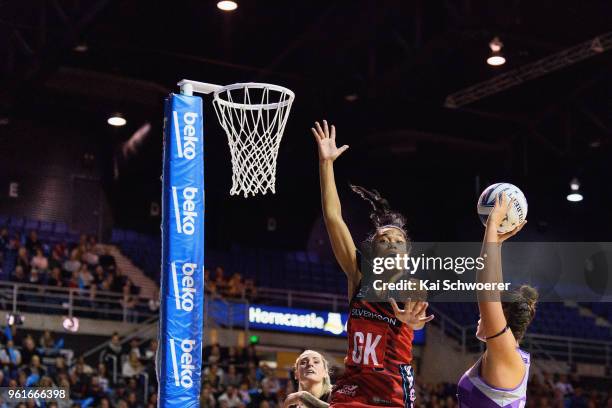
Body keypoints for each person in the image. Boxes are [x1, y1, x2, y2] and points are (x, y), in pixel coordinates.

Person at [312, 120, 433, 408]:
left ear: (406, 255)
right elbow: (333, 218)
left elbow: (418, 298)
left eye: (397, 241)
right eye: (383, 239)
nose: (391, 242)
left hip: (391, 394)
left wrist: (412, 318)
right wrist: (325, 163)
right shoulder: (357, 276)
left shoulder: (410, 285)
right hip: (352, 389)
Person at [457, 193, 537, 407]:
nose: (480, 316)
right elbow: (493, 291)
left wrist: (492, 226)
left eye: (486, 313)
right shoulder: (505, 350)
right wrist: (498, 244)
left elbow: (487, 291)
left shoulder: (506, 352)